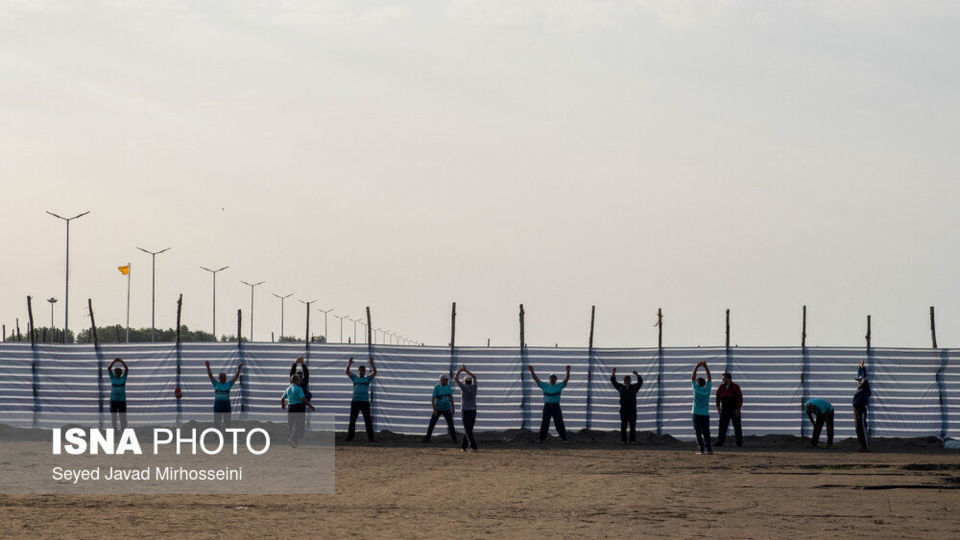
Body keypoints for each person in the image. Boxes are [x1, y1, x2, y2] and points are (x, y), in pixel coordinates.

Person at [529, 365, 571, 444]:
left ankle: (565, 439)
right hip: (547, 406)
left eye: (554, 378)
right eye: (551, 377)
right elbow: (536, 379)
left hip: (556, 406)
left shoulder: (559, 386)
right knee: (545, 423)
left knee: (559, 423)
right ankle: (541, 439)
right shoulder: (545, 386)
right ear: (549, 378)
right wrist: (532, 372)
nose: (552, 379)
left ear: (556, 379)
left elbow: (566, 380)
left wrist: (568, 371)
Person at [346, 356, 377, 442]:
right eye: (360, 370)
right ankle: (349, 438)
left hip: (365, 402)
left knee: (368, 421)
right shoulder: (355, 378)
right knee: (352, 421)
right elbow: (347, 371)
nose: (362, 372)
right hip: (355, 402)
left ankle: (371, 438)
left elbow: (375, 372)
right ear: (358, 371)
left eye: (363, 370)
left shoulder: (367, 378)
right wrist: (349, 364)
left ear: (365, 372)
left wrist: (372, 363)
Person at [281, 373, 316, 447]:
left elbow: (282, 398)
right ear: (296, 381)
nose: (301, 381)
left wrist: (283, 405)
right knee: (298, 425)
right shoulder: (298, 388)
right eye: (300, 380)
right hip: (298, 407)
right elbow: (303, 399)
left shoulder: (288, 388)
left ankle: (293, 441)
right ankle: (292, 438)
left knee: (291, 424)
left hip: (290, 407)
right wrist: (310, 406)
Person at [205, 360, 242, 430]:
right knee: (217, 423)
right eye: (222, 377)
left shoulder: (228, 384)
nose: (223, 378)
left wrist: (239, 369)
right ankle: (216, 436)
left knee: (227, 423)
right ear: (219, 378)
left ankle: (227, 436)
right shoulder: (216, 384)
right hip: (218, 406)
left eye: (224, 377)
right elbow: (210, 376)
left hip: (226, 406)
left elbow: (235, 377)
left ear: (225, 378)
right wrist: (208, 367)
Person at [609, 367, 642, 443]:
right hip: (623, 409)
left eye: (628, 380)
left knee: (632, 425)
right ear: (624, 381)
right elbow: (613, 382)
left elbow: (640, 382)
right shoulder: (621, 387)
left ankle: (632, 440)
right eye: (625, 380)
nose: (627, 381)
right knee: (623, 425)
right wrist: (613, 372)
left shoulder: (634, 387)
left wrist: (637, 374)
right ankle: (623, 440)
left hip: (632, 409)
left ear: (630, 380)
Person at [422, 374, 458, 443]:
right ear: (441, 380)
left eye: (447, 380)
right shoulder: (437, 388)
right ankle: (427, 438)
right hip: (438, 409)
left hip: (447, 409)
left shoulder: (448, 387)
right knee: (432, 424)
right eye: (445, 380)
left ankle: (454, 440)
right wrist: (434, 409)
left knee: (451, 425)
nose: (446, 381)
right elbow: (433, 399)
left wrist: (453, 407)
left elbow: (451, 397)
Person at [715, 371, 743, 447]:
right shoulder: (721, 387)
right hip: (724, 409)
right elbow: (717, 397)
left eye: (724, 378)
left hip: (734, 410)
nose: (723, 380)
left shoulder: (736, 387)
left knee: (737, 427)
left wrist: (738, 409)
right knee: (722, 427)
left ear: (729, 379)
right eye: (722, 379)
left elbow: (740, 399)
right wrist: (718, 407)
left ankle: (739, 443)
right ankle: (720, 442)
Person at [691, 361, 713, 455]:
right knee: (706, 432)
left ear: (698, 383)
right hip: (705, 414)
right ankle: (709, 450)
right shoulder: (707, 390)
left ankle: (701, 450)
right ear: (704, 383)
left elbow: (692, 377)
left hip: (696, 413)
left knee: (698, 432)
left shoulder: (696, 389)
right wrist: (706, 367)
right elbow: (710, 379)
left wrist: (696, 366)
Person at [455, 365, 479, 451]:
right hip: (473, 410)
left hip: (465, 410)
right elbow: (475, 377)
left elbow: (455, 378)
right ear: (471, 381)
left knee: (467, 429)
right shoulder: (474, 387)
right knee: (469, 429)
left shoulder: (463, 387)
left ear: (464, 382)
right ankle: (464, 447)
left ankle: (474, 446)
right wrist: (467, 371)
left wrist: (461, 370)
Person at [853, 359, 871, 452]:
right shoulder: (860, 387)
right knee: (858, 429)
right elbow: (860, 377)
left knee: (863, 428)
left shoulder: (864, 387)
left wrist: (862, 367)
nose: (859, 381)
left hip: (861, 409)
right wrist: (859, 368)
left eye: (860, 380)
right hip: (856, 410)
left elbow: (864, 377)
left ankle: (866, 447)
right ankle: (863, 446)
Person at [106, 358, 129, 432]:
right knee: (114, 417)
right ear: (115, 373)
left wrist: (121, 361)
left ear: (121, 373)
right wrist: (114, 361)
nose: (117, 373)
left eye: (119, 372)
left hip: (122, 400)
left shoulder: (123, 378)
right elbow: (109, 368)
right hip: (114, 400)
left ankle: (123, 430)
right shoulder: (113, 378)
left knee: (122, 417)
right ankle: (115, 431)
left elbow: (127, 369)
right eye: (116, 372)